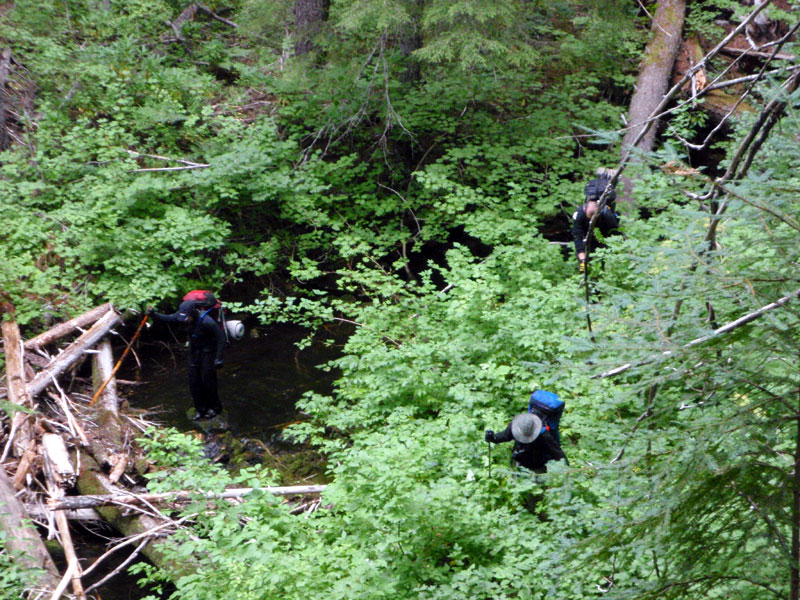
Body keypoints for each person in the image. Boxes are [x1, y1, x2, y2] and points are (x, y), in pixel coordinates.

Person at [147, 291, 226, 420]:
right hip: (194, 352)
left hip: (208, 351)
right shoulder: (183, 315)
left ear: (193, 313)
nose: (184, 321)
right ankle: (201, 409)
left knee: (208, 381)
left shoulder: (207, 321)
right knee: (194, 381)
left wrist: (219, 358)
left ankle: (215, 408)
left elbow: (221, 338)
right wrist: (154, 315)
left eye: (186, 318)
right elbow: (169, 318)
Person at [485, 413, 568, 473]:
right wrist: (493, 438)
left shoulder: (543, 435)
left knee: (535, 492)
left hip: (538, 467)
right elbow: (505, 436)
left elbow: (557, 453)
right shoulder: (515, 426)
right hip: (520, 462)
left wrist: (567, 468)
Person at [572, 170, 620, 273]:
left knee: (601, 260)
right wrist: (583, 260)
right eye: (589, 217)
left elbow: (615, 231)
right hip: (588, 238)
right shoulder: (579, 215)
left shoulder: (606, 215)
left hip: (602, 234)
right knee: (586, 258)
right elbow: (577, 238)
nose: (591, 219)